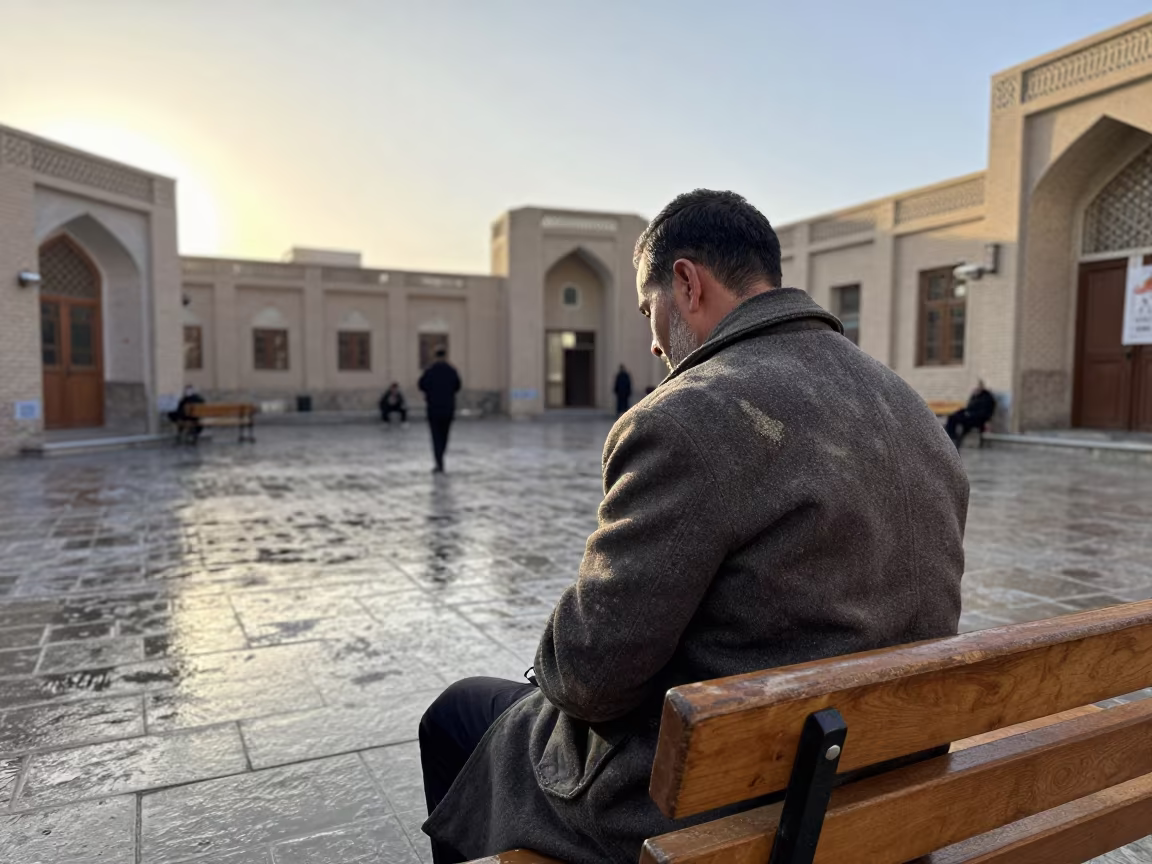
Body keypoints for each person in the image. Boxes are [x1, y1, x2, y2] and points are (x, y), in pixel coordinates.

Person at [418, 190, 968, 864]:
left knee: (457, 712)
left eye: (648, 310)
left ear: (686, 283)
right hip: (888, 790)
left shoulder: (689, 416)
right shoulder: (911, 410)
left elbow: (590, 676)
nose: (653, 340)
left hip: (736, 810)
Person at [418, 348, 461, 473]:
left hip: (433, 409)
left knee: (435, 436)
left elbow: (421, 385)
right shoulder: (451, 370)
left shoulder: (430, 370)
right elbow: (458, 386)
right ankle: (441, 457)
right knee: (445, 435)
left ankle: (439, 461)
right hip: (448, 408)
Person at [945, 381, 996, 449]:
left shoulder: (987, 398)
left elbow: (985, 413)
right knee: (953, 417)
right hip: (969, 416)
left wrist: (970, 414)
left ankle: (955, 438)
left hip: (977, 419)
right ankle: (952, 435)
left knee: (960, 420)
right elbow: (969, 407)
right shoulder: (975, 396)